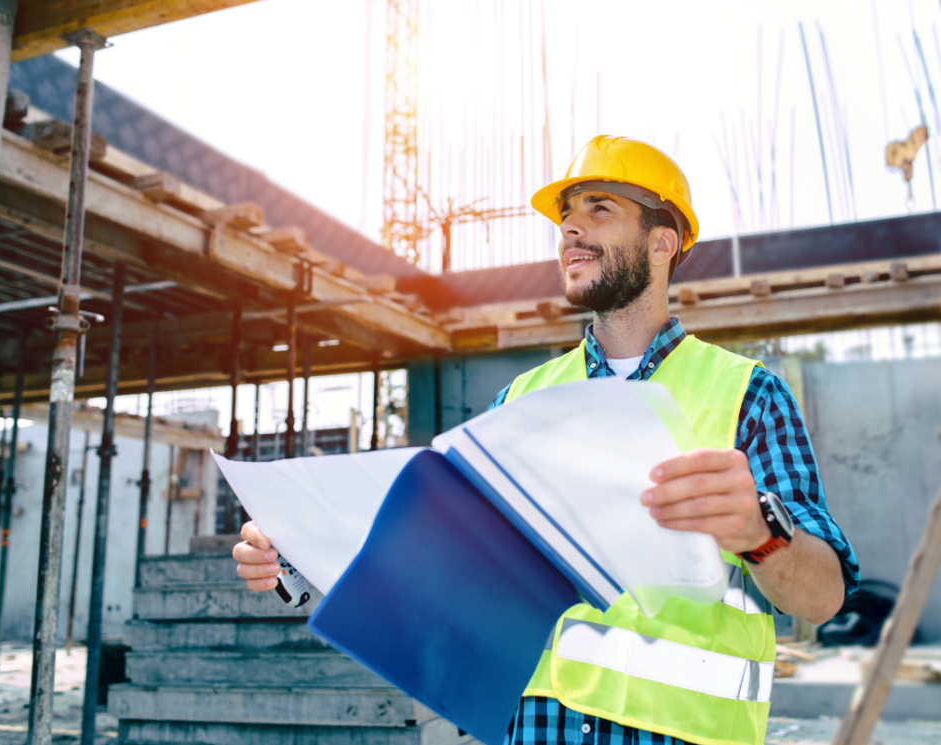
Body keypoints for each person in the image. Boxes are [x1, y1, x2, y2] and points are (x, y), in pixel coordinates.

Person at [234, 136, 859, 745]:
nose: (570, 230)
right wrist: (303, 544)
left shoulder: (748, 395)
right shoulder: (520, 404)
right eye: (566, 217)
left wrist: (758, 533)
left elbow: (823, 595)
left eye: (599, 208)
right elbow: (449, 569)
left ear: (662, 242)